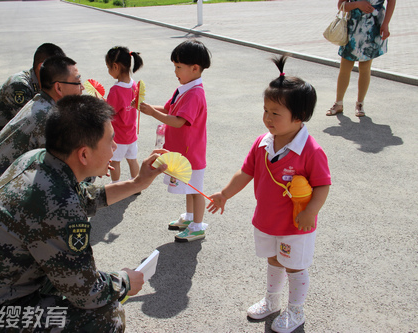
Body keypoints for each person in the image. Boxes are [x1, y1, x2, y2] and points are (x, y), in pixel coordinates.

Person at [0, 95, 168, 332]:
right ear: (84, 154)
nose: (115, 148)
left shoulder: (35, 160)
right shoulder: (59, 208)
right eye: (111, 141)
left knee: (62, 278)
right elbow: (86, 292)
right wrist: (125, 281)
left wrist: (138, 182)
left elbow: (86, 197)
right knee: (106, 315)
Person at [207, 56, 331, 333]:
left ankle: (295, 311)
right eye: (265, 110)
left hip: (296, 226)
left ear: (299, 117)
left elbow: (323, 185)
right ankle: (272, 301)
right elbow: (245, 172)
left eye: (275, 113)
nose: (267, 118)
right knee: (273, 261)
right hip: (267, 220)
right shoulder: (262, 143)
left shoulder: (311, 150)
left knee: (295, 267)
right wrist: (224, 194)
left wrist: (312, 211)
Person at [0, 56, 84, 198]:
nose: (82, 87)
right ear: (59, 87)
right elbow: (64, 170)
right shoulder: (47, 118)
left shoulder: (42, 103)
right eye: (77, 82)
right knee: (68, 198)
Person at [139, 39, 211, 242]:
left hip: (192, 153)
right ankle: (190, 218)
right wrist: (147, 107)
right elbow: (169, 109)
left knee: (196, 190)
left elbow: (178, 121)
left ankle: (197, 226)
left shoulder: (195, 93)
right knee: (190, 188)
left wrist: (152, 113)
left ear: (195, 68)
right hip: (183, 151)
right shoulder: (185, 88)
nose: (175, 71)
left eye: (179, 67)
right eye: (175, 66)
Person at [0, 43, 65, 156]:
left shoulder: (41, 83)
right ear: (41, 67)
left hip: (8, 133)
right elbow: (34, 122)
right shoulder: (19, 86)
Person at [326, 0, 395, 117]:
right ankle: (338, 103)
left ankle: (360, 104)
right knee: (345, 66)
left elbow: (392, 1)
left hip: (374, 26)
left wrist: (386, 23)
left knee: (365, 67)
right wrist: (357, 4)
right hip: (353, 26)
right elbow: (341, 5)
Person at [105, 46, 143, 184]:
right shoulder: (134, 85)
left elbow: (109, 112)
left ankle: (116, 185)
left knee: (115, 161)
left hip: (119, 136)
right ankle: (136, 184)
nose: (108, 71)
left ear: (115, 66)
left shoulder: (115, 90)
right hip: (131, 134)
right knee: (132, 159)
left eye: (108, 67)